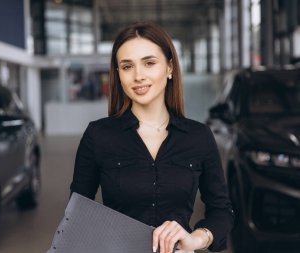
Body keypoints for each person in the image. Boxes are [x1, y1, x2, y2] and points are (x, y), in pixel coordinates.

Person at [70, 21, 234, 253]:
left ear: (169, 68)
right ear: (118, 74)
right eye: (127, 67)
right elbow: (76, 217)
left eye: (149, 63)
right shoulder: (98, 136)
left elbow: (222, 211)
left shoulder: (199, 137)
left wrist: (197, 238)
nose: (138, 76)